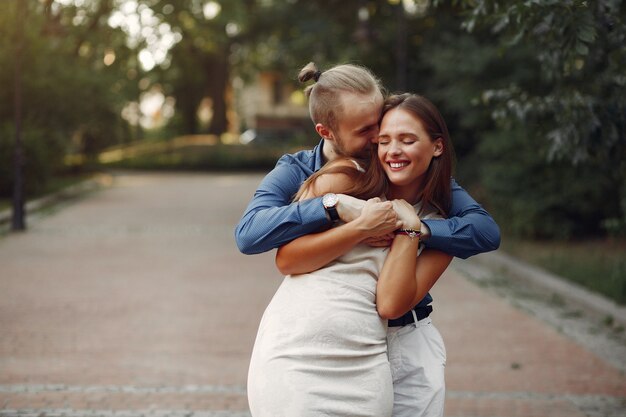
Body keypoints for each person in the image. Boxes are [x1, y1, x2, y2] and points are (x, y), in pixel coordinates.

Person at [235, 62, 501, 416]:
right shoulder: (316, 174)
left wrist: (416, 228)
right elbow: (254, 236)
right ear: (327, 132)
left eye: (385, 124)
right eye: (371, 131)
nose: (382, 139)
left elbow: (485, 231)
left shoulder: (435, 197)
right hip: (312, 349)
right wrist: (336, 209)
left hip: (402, 335)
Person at [268, 92, 456, 417]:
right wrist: (362, 225)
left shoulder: (443, 224)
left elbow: (390, 303)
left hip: (408, 344)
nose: (393, 150)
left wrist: (410, 229)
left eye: (407, 140)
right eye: (383, 140)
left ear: (437, 146)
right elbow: (287, 260)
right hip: (315, 353)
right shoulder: (346, 181)